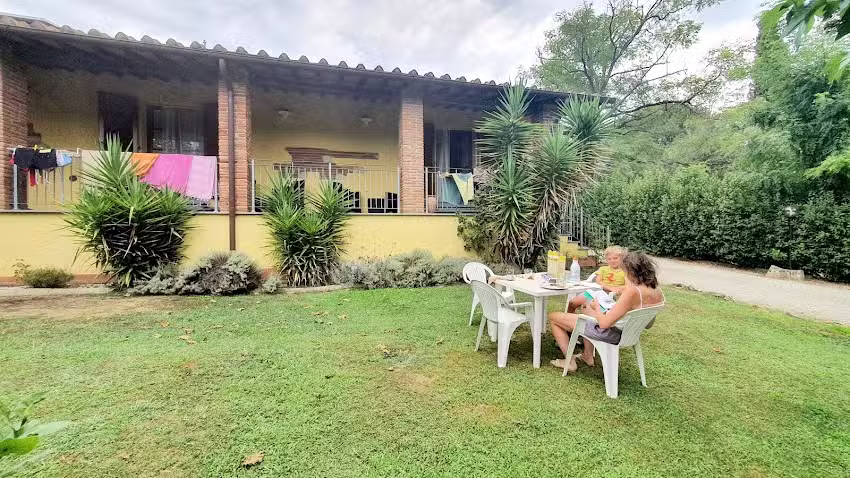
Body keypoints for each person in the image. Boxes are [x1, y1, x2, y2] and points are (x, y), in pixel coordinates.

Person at [548, 251, 664, 372]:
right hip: (629, 332)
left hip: (611, 333)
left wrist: (597, 307)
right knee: (585, 308)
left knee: (553, 317)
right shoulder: (656, 290)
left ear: (630, 271)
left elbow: (603, 324)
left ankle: (569, 361)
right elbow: (649, 325)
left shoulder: (633, 292)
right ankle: (588, 355)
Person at [565, 245, 627, 314]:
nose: (612, 261)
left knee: (590, 308)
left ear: (622, 258)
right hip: (597, 293)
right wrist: (611, 288)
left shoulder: (625, 271)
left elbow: (628, 285)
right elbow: (598, 281)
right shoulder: (603, 269)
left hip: (612, 298)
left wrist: (616, 289)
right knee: (572, 302)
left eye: (615, 258)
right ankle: (569, 317)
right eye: (609, 259)